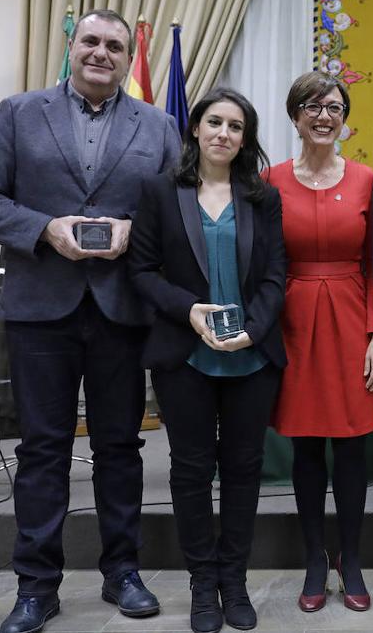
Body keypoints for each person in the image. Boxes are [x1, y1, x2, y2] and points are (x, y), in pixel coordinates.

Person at [0, 9, 179, 633]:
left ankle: (123, 572)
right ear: (72, 46)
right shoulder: (18, 113)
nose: (101, 53)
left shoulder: (159, 125)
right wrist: (45, 228)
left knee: (120, 448)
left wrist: (134, 232)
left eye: (114, 45)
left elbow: (178, 210)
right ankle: (36, 587)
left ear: (126, 57)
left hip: (121, 311)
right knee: (42, 451)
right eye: (91, 41)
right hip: (40, 311)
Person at [128, 88, 285, 633]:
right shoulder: (159, 191)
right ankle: (202, 583)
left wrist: (253, 331)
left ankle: (234, 581)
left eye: (235, 126)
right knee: (192, 470)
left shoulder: (263, 197)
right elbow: (142, 271)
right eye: (215, 122)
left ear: (246, 138)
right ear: (195, 128)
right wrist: (189, 310)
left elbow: (275, 276)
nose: (224, 133)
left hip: (251, 357)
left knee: (243, 470)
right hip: (184, 355)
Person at [266, 72, 373, 614]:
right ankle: (315, 560)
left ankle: (352, 558)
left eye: (334, 107)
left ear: (345, 118)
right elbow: (262, 261)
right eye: (312, 107)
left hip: (352, 319)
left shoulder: (366, 179)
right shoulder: (269, 180)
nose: (324, 116)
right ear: (295, 116)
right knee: (306, 447)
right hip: (292, 322)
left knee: (353, 447)